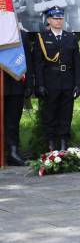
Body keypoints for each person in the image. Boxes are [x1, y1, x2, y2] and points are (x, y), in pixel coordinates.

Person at [34, 6, 80, 151]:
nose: (58, 21)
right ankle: (51, 144)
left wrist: (78, 84)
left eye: (60, 18)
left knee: (66, 114)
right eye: (55, 18)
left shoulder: (71, 37)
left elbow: (76, 62)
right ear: (49, 20)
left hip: (67, 80)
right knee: (50, 113)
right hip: (50, 81)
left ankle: (63, 143)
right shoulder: (42, 38)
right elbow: (38, 64)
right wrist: (40, 84)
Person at [2, 31, 33, 165]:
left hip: (16, 83)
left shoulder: (22, 35)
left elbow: (28, 60)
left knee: (13, 121)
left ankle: (13, 151)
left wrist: (29, 84)